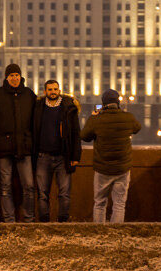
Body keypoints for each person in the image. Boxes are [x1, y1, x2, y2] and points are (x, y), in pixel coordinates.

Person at [0, 63, 37, 222]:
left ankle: (29, 218)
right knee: (5, 186)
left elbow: (39, 114)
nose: (14, 78)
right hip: (3, 148)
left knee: (29, 186)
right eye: (11, 75)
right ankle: (9, 220)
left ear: (21, 77)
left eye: (16, 75)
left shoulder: (28, 94)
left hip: (24, 147)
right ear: (6, 78)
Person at [80, 88, 142, 223]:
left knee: (100, 202)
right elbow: (137, 128)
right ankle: (116, 232)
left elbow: (84, 136)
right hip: (122, 168)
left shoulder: (97, 119)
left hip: (103, 168)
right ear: (118, 102)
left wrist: (93, 117)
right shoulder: (128, 117)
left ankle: (99, 231)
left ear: (103, 104)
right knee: (119, 203)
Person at [31, 78, 81, 222]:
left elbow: (76, 133)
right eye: (50, 90)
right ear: (45, 91)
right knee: (42, 193)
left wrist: (75, 156)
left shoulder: (68, 107)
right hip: (42, 156)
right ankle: (44, 221)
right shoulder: (38, 107)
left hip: (63, 157)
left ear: (59, 90)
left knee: (64, 193)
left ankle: (63, 221)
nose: (53, 92)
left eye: (55, 89)